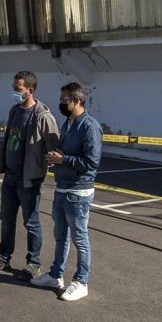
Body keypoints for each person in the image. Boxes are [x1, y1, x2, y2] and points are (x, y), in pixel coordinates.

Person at [31, 82, 102, 302]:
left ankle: (81, 282)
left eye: (65, 100)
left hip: (78, 192)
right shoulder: (69, 123)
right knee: (60, 236)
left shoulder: (89, 126)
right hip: (62, 188)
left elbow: (92, 162)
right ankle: (56, 275)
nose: (61, 104)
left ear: (77, 100)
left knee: (80, 238)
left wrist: (64, 159)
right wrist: (57, 157)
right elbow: (69, 155)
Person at [0, 71, 59, 281]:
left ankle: (33, 263)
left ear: (30, 90)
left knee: (32, 223)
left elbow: (54, 147)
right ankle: (3, 257)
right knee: (6, 220)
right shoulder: (14, 110)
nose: (14, 92)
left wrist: (41, 168)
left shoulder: (43, 115)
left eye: (17, 89)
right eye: (14, 87)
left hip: (29, 180)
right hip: (9, 176)